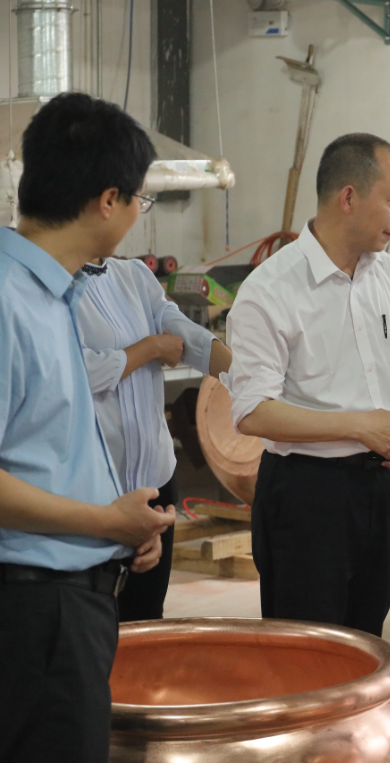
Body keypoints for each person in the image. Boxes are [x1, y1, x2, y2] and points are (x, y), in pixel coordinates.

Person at [0, 92, 175, 762]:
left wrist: (118, 528)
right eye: (140, 200)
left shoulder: (56, 294)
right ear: (109, 201)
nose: (136, 214)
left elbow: (41, 449)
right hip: (33, 613)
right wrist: (104, 523)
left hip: (73, 601)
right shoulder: (9, 300)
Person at [226, 133, 390, 636]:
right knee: (309, 648)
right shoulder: (271, 290)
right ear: (348, 198)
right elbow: (253, 411)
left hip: (377, 486)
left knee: (366, 638)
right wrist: (357, 426)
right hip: (307, 494)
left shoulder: (383, 272)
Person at [76, 248, 233, 622]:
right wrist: (149, 348)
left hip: (154, 483)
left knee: (146, 620)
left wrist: (246, 375)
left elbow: (177, 329)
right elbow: (76, 373)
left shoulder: (133, 275)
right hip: (95, 493)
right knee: (95, 626)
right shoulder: (52, 285)